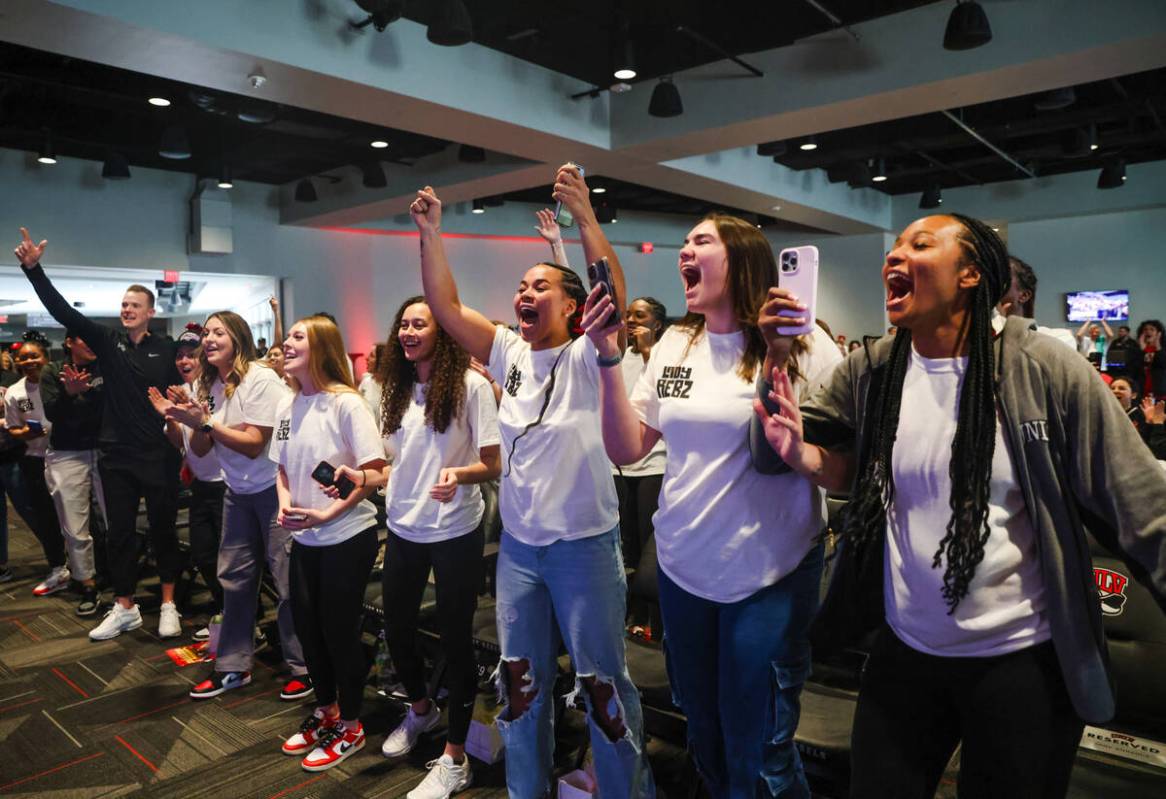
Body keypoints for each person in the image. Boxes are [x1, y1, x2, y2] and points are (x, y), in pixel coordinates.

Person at [753, 213, 1166, 798]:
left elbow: (1147, 513)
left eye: (920, 245)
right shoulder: (875, 367)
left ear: (972, 273)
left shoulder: (1044, 368)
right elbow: (772, 454)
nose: (894, 257)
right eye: (893, 247)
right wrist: (773, 354)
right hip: (904, 655)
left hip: (1020, 663)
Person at [411, 168, 655, 798]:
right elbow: (445, 308)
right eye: (521, 286)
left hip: (583, 550)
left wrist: (585, 218)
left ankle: (626, 792)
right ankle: (527, 791)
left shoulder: (587, 352)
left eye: (541, 284)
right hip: (520, 551)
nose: (526, 292)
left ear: (572, 306)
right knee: (519, 684)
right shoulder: (507, 354)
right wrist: (430, 235)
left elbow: (614, 296)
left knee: (603, 687)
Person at [587, 212, 841, 797]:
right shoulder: (677, 342)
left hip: (769, 573)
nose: (684, 252)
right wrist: (607, 359)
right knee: (705, 734)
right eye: (683, 243)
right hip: (684, 568)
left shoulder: (806, 343)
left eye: (700, 241)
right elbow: (627, 447)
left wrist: (780, 367)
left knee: (762, 755)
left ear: (743, 259)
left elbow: (836, 453)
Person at [339, 297, 500, 796]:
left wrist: (461, 474)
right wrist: (360, 476)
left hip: (454, 529)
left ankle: (456, 756)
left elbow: (494, 462)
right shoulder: (395, 388)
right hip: (405, 525)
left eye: (419, 324)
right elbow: (393, 463)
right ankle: (422, 711)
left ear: (443, 333)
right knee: (398, 631)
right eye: (403, 323)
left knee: (455, 641)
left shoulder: (472, 388)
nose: (408, 331)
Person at [15, 228, 185, 641]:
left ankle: (168, 603)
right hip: (116, 457)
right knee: (120, 534)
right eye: (123, 304)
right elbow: (63, 314)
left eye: (134, 305)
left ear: (150, 311)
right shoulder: (108, 343)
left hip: (158, 455)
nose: (127, 309)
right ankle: (125, 605)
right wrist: (34, 271)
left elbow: (184, 396)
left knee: (163, 531)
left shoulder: (167, 349)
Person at [151, 311, 308, 700]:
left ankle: (304, 666)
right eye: (206, 333)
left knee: (287, 580)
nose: (208, 339)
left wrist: (205, 424)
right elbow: (203, 447)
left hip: (274, 489)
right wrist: (182, 419)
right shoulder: (207, 384)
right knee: (234, 578)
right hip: (237, 492)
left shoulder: (261, 379)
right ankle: (234, 664)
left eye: (218, 332)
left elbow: (255, 443)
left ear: (237, 338)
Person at [270, 315, 386, 772]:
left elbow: (373, 473)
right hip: (306, 535)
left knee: (338, 633)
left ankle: (353, 725)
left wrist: (326, 514)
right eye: (288, 336)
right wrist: (286, 505)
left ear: (321, 347)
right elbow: (282, 468)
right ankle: (328, 710)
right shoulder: (289, 406)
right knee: (309, 630)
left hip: (345, 534)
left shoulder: (347, 405)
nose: (287, 342)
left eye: (298, 336)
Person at [154, 324, 227, 640]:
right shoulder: (180, 392)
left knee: (228, 559)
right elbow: (180, 446)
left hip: (226, 484)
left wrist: (192, 418)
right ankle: (225, 609)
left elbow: (203, 443)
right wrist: (172, 420)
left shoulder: (213, 391)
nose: (184, 361)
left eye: (191, 355)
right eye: (180, 356)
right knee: (203, 553)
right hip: (201, 485)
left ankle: (239, 616)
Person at [40, 329, 106, 616]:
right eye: (84, 339)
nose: (92, 344)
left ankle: (119, 579)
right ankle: (86, 583)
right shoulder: (53, 371)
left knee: (116, 520)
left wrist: (86, 394)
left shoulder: (105, 366)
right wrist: (70, 393)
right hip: (67, 453)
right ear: (70, 343)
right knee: (75, 527)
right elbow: (53, 412)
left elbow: (106, 408)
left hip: (104, 450)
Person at [615, 296, 669, 636]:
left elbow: (662, 396)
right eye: (629, 315)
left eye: (640, 316)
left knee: (651, 542)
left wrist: (650, 350)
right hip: (620, 465)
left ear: (657, 324)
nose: (632, 321)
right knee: (627, 543)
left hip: (654, 462)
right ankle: (632, 616)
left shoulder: (665, 355)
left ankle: (653, 619)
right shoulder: (622, 355)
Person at [4, 334, 69, 597]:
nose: (30, 361)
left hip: (67, 457)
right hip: (34, 460)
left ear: (46, 357)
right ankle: (57, 567)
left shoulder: (61, 382)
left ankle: (88, 569)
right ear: (17, 362)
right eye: (24, 358)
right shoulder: (16, 392)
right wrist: (26, 434)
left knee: (76, 516)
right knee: (45, 517)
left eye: (34, 356)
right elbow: (13, 428)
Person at [0, 347, 35, 584]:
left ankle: (61, 556)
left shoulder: (13, 382)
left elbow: (29, 412)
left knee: (32, 509)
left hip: (14, 456)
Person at [1109, 376, 1166, 460]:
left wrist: (1150, 423)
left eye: (1121, 388)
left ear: (1133, 395)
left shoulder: (1141, 415)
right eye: (1112, 388)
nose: (1115, 391)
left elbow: (1149, 448)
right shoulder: (1104, 413)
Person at [1137, 320, 1166, 399]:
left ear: (1158, 333)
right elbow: (1135, 367)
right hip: (1142, 390)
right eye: (1145, 329)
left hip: (1159, 391)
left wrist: (1157, 345)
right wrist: (1142, 350)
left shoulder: (1162, 349)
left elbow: (1162, 365)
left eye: (1152, 329)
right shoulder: (1136, 349)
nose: (1148, 332)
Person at [358, 343, 385, 418]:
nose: (367, 358)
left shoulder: (390, 386)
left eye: (372, 356)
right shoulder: (366, 382)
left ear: (381, 361)